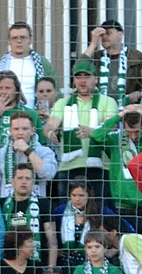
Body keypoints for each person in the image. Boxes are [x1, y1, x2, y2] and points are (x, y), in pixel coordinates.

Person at [43, 60, 118, 205]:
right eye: (78, 77)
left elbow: (111, 128)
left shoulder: (108, 102)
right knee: (68, 215)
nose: (82, 81)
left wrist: (92, 132)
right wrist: (50, 132)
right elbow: (50, 125)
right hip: (69, 168)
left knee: (99, 213)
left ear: (96, 79)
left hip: (99, 168)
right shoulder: (63, 103)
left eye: (87, 76)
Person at [0, 21, 57, 111]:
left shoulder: (44, 65)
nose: (19, 41)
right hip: (4, 118)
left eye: (23, 37)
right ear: (9, 41)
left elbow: (55, 93)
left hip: (36, 118)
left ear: (30, 40)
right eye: (14, 38)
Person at [0, 111, 57, 200]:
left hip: (37, 206)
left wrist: (28, 151)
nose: (20, 133)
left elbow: (48, 174)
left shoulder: (45, 152)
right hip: (7, 207)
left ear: (33, 131)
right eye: (16, 129)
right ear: (10, 131)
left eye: (25, 129)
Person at [1, 163, 58, 269]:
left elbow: (52, 240)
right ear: (12, 182)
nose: (24, 182)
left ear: (33, 183)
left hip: (38, 265)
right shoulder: (2, 204)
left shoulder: (43, 203)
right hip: (8, 264)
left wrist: (51, 269)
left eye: (28, 178)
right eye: (20, 178)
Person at [81, 19, 142, 110]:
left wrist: (140, 93)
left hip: (130, 110)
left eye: (108, 33)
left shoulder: (137, 57)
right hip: (99, 109)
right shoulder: (96, 58)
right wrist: (93, 43)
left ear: (120, 34)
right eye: (102, 35)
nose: (104, 37)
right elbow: (79, 69)